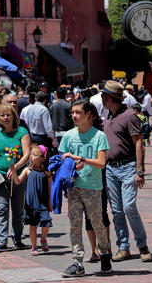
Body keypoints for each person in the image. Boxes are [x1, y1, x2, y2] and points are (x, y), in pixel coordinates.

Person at [58, 99, 112, 277]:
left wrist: (81, 160)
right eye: (73, 112)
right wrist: (67, 165)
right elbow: (63, 159)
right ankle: (77, 262)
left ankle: (104, 253)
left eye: (78, 112)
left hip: (93, 187)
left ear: (89, 115)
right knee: (75, 225)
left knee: (97, 223)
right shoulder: (68, 136)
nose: (74, 115)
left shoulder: (99, 136)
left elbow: (102, 163)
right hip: (74, 187)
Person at [101, 81, 152, 263]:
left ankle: (142, 245)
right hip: (110, 168)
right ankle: (123, 247)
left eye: (104, 96)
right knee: (116, 210)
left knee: (129, 207)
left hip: (128, 167)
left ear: (109, 98)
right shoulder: (107, 116)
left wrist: (140, 170)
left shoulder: (130, 115)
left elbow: (139, 143)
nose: (102, 99)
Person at [0, 104, 31, 252]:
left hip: (17, 175)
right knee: (1, 207)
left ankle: (18, 237)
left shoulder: (22, 132)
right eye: (2, 115)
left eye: (8, 115)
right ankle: (2, 241)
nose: (5, 118)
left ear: (14, 116)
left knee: (17, 208)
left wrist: (15, 167)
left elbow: (26, 154)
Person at [9, 145, 52, 256]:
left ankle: (43, 239)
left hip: (42, 203)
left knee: (46, 224)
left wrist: (50, 203)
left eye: (35, 155)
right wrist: (14, 171)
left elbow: (49, 189)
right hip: (31, 204)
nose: (31, 156)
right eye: (31, 154)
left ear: (42, 158)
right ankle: (34, 246)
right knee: (33, 226)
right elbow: (18, 181)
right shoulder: (27, 170)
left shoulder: (46, 173)